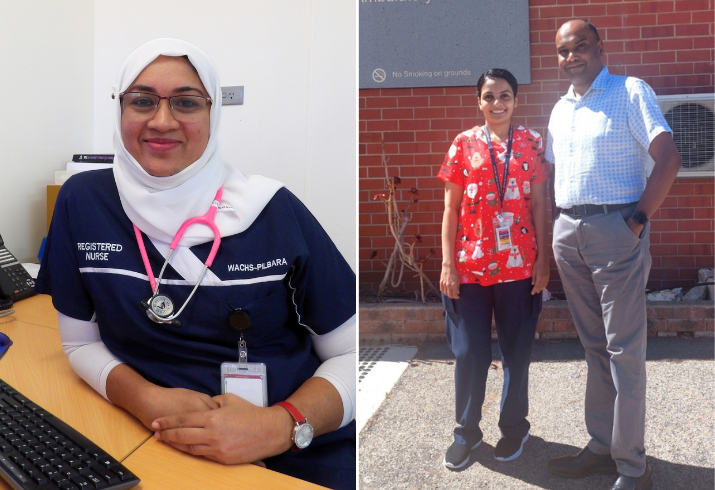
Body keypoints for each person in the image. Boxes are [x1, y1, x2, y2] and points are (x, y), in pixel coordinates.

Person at [36, 39, 356, 490]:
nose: (161, 121)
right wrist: (145, 399)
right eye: (142, 100)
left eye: (186, 102)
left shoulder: (273, 210)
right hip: (152, 437)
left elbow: (351, 351)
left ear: (212, 114)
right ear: (119, 108)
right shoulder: (83, 201)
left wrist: (280, 427)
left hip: (300, 443)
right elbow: (78, 345)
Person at [545, 20, 681, 490]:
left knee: (625, 349)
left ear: (600, 48)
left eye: (580, 47)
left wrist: (638, 219)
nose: (571, 57)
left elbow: (669, 158)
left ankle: (632, 466)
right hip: (569, 231)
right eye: (564, 51)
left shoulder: (629, 91)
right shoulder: (560, 108)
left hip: (616, 229)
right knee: (594, 346)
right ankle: (602, 447)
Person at [437, 68, 550, 469]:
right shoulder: (463, 144)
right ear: (478, 101)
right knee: (469, 353)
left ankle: (514, 429)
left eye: (505, 95)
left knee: (517, 354)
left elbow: (539, 204)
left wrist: (543, 259)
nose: (497, 103)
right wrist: (448, 264)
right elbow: (450, 209)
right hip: (469, 270)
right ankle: (466, 433)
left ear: (516, 100)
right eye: (489, 96)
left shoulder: (532, 143)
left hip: (520, 270)